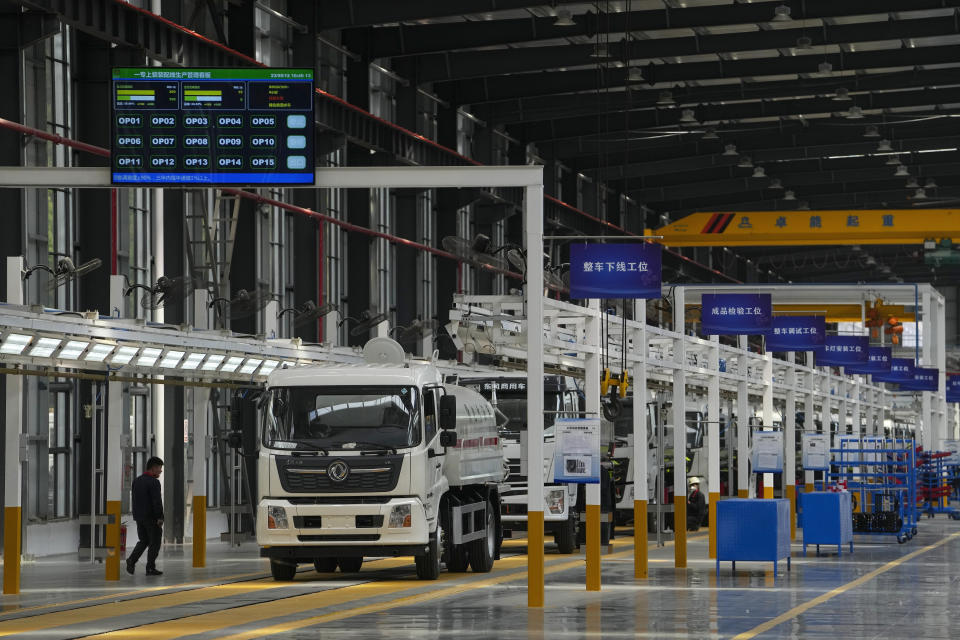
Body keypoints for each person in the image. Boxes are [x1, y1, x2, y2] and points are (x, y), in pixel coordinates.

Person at [126, 456, 164, 576]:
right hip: (151, 518)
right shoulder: (154, 482)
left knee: (144, 541)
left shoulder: (136, 480)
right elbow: (156, 501)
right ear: (153, 468)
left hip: (139, 517)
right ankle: (150, 567)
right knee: (155, 542)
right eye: (159, 468)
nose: (161, 471)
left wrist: (136, 516)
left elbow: (134, 500)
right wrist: (160, 517)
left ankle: (131, 560)